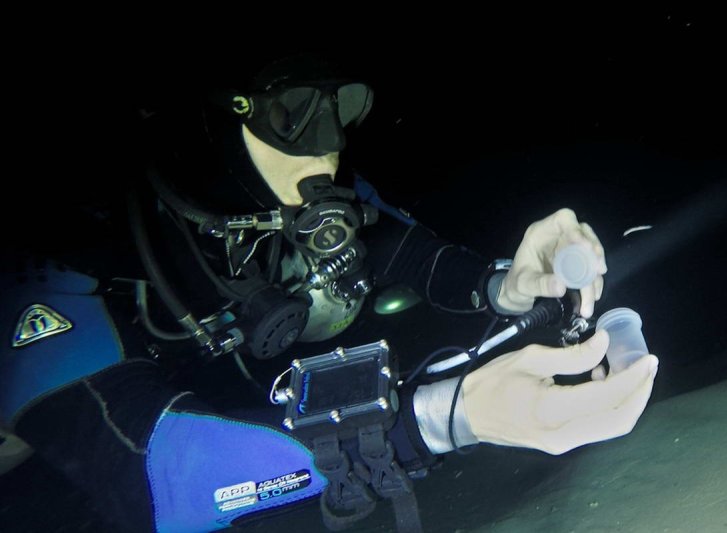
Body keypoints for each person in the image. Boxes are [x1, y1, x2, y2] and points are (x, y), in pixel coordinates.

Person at [0, 54, 658, 532]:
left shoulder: (310, 204)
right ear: (210, 121)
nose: (328, 142)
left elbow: (410, 253)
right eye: (292, 111)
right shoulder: (54, 247)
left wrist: (505, 285)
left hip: (245, 436)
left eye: (337, 107)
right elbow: (159, 479)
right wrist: (443, 417)